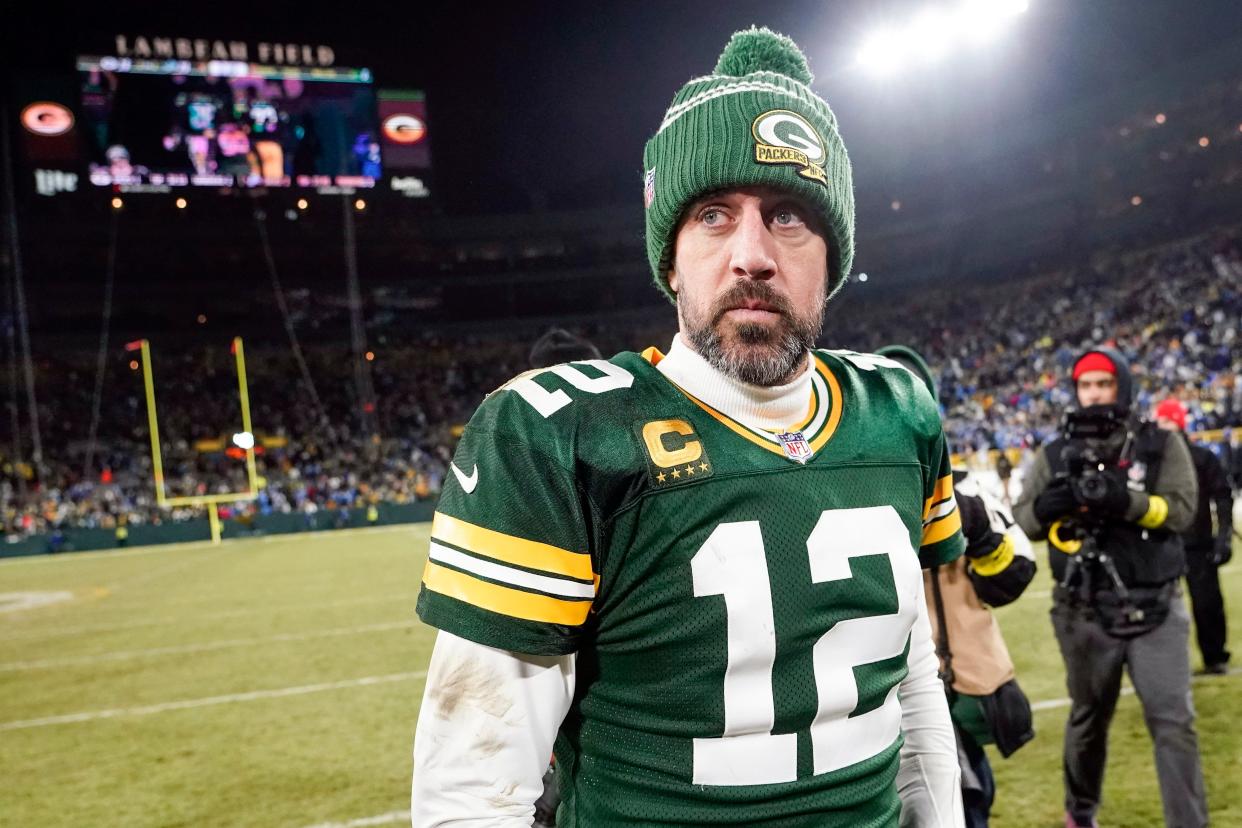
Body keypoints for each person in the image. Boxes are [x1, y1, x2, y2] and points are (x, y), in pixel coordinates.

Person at [411, 28, 966, 826]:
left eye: (789, 217)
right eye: (713, 214)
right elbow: (476, 778)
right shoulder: (558, 435)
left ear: (831, 254)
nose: (752, 255)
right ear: (670, 256)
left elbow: (908, 681)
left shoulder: (896, 410)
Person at [1013, 348, 1206, 828]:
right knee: (1087, 720)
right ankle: (1079, 813)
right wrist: (1046, 508)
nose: (1095, 393)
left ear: (1123, 386)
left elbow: (1182, 511)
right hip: (1083, 610)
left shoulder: (1160, 444)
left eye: (1104, 383)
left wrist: (1129, 502)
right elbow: (1020, 523)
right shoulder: (1054, 453)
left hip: (1155, 607)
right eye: (1086, 385)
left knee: (1173, 723)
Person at [878, 345, 1036, 828]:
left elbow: (1012, 577)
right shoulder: (848, 492)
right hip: (879, 697)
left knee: (966, 803)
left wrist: (982, 535)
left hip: (958, 686)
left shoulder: (968, 491)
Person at [1153, 398, 1233, 674]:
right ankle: (1167, 667)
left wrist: (1223, 536)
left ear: (1175, 422)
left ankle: (1214, 657)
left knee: (1207, 604)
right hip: (1163, 543)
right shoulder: (1155, 461)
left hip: (1196, 542)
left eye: (1163, 421)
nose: (1159, 427)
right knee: (1159, 610)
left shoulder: (1201, 458)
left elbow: (1223, 497)